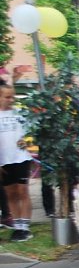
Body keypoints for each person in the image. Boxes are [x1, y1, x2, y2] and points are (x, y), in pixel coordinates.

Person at [0, 84, 33, 241]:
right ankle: (17, 226)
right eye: (7, 97)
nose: (10, 100)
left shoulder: (19, 113)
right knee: (11, 193)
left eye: (12, 96)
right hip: (4, 160)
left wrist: (26, 141)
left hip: (20, 158)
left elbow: (31, 133)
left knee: (22, 191)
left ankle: (25, 226)